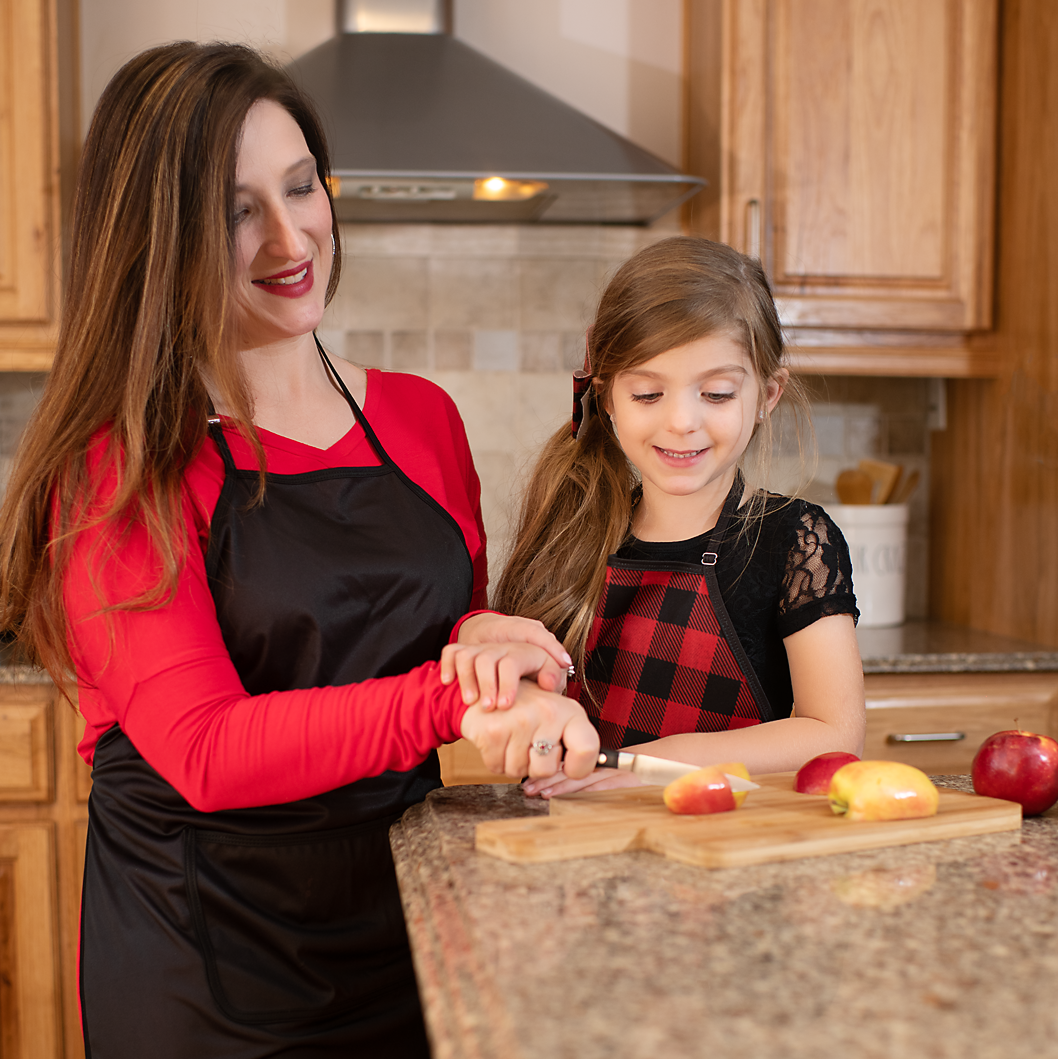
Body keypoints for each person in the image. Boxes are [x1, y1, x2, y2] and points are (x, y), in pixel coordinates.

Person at [0, 42, 598, 1058]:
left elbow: (414, 625)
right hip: (207, 956)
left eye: (301, 185)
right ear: (160, 236)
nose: (291, 236)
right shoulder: (118, 467)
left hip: (403, 921)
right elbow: (204, 751)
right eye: (238, 210)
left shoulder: (419, 417)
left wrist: (483, 634)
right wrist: (453, 700)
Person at [493, 236, 866, 799]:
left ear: (766, 395)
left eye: (715, 394)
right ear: (608, 396)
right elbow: (517, 699)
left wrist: (643, 767)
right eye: (648, 394)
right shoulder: (567, 524)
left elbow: (834, 734)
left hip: (719, 850)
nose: (682, 421)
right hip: (570, 849)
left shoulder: (792, 540)